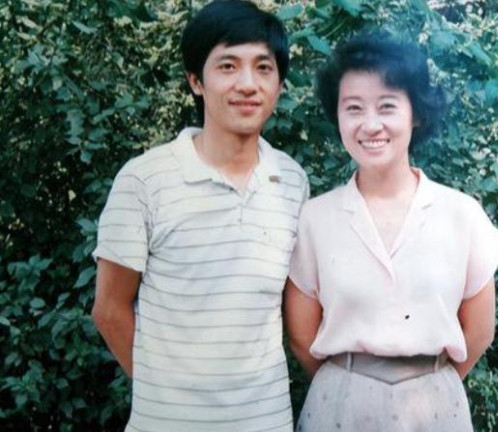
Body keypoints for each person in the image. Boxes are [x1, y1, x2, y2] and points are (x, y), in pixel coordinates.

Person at [91, 1, 308, 430]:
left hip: (265, 422)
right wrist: (164, 394)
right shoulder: (144, 180)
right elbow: (109, 309)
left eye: (263, 68)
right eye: (228, 66)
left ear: (279, 84)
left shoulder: (292, 181)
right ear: (196, 80)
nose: (247, 84)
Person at [284, 30, 498, 431]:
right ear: (338, 116)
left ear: (415, 113)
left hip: (436, 406)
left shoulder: (461, 214)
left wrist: (428, 383)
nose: (371, 125)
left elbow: (479, 331)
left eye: (387, 106)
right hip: (338, 405)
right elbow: (301, 336)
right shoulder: (314, 218)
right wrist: (352, 384)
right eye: (354, 108)